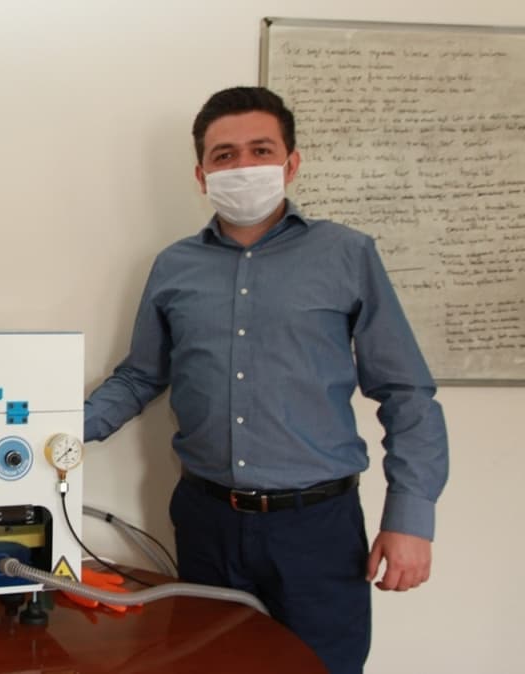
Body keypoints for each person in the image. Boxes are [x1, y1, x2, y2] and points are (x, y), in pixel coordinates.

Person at [83, 86, 448, 674]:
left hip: (318, 530)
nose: (243, 166)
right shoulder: (174, 266)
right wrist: (57, 433)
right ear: (202, 175)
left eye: (261, 150)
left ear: (291, 163)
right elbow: (140, 376)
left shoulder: (347, 254)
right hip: (207, 523)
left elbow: (406, 392)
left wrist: (410, 518)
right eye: (224, 155)